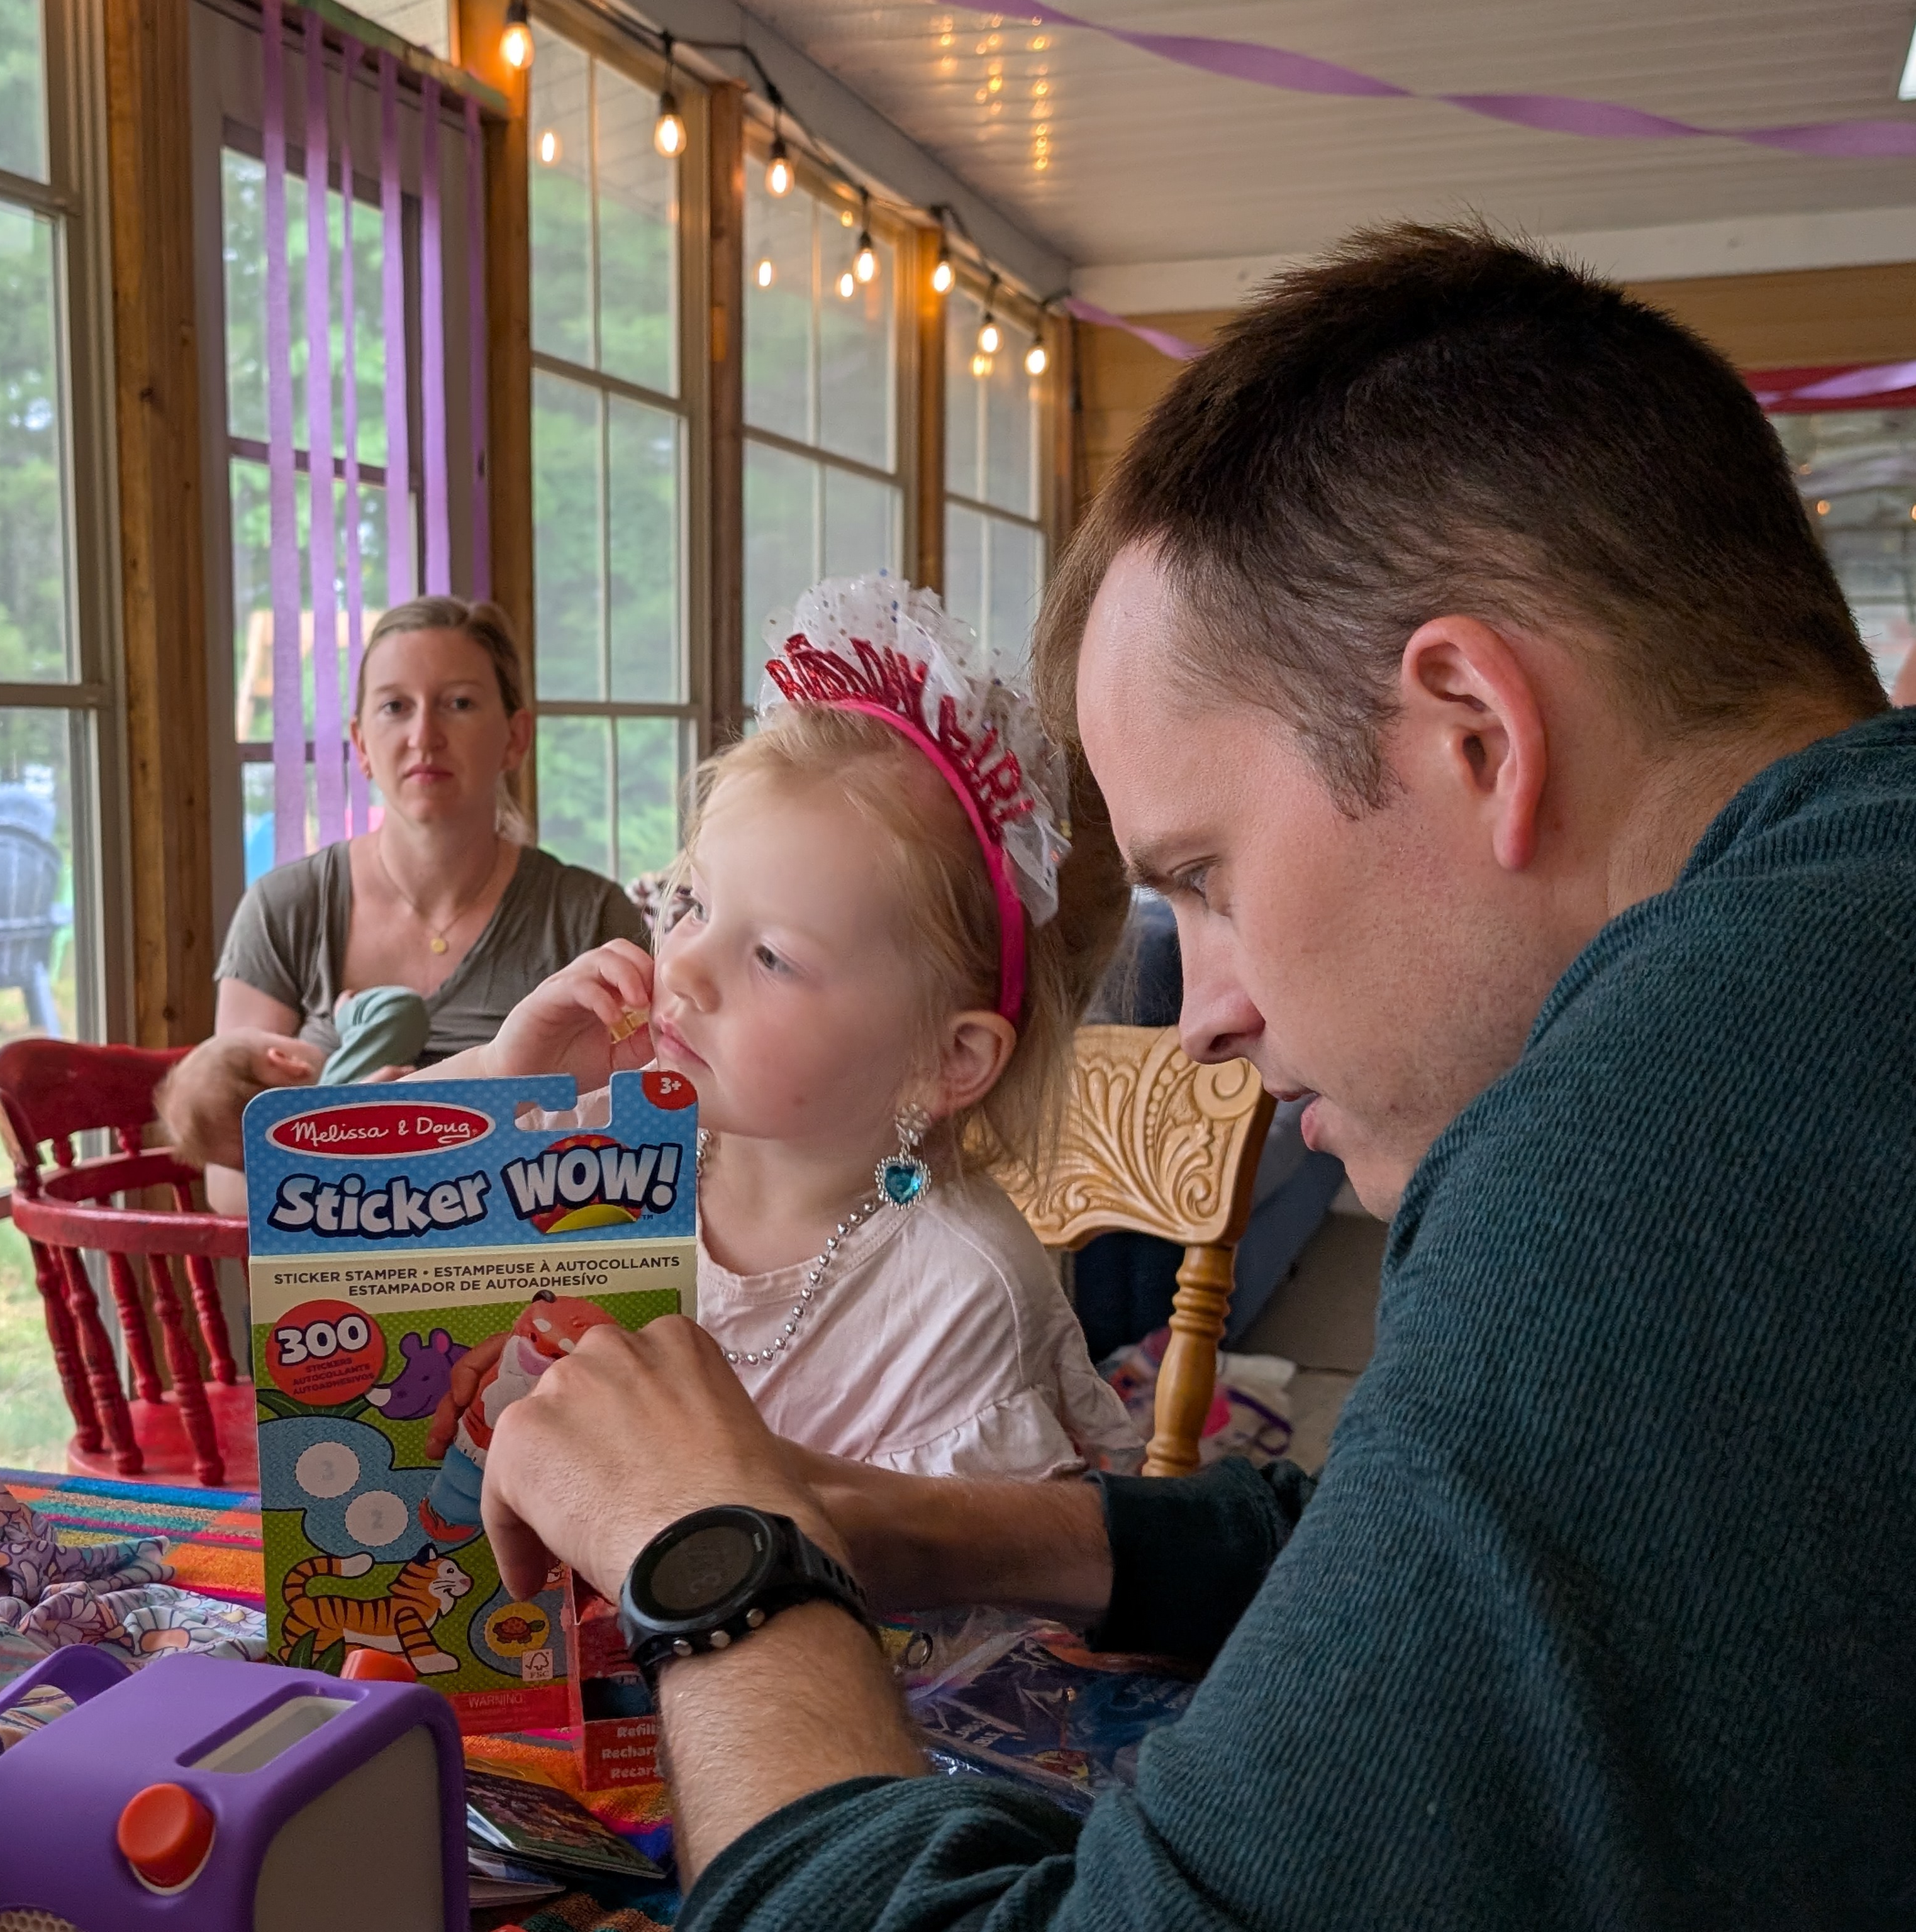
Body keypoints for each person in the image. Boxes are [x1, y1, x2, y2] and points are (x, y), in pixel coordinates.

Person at [453, 225, 1916, 1927]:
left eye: (1204, 876)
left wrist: (716, 1555)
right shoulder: (1829, 982)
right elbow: (1427, 1546)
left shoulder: (1671, 1140)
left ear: (1473, 731)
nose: (1201, 1014)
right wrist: (934, 1529)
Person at [415, 577, 1137, 1483]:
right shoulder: (614, 1136)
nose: (683, 968)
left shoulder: (959, 1295)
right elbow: (313, 1207)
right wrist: (502, 1076)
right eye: (691, 902)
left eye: (771, 957)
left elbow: (924, 1568)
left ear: (945, 1059)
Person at [164, 597, 644, 1184]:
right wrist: (361, 1135)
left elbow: (649, 1136)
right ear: (362, 744)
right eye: (395, 707)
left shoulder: (590, 917)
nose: (424, 736)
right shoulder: (284, 910)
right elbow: (230, 1184)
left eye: (459, 704)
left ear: (516, 738)